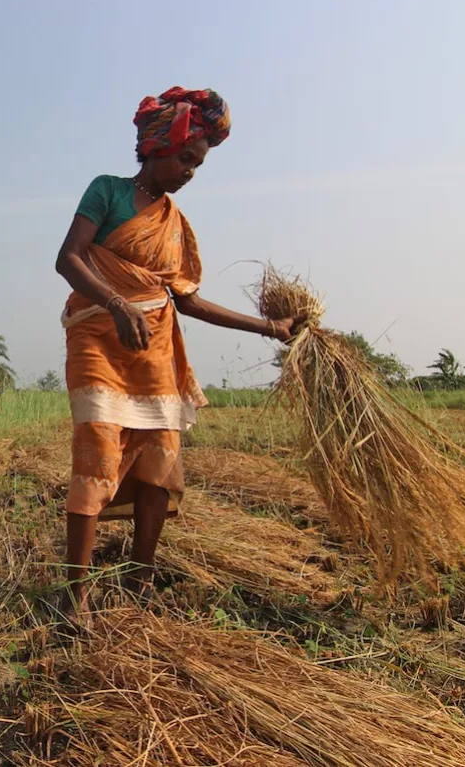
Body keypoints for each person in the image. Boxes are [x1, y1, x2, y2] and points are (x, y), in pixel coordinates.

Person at [56, 86, 305, 615]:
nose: (191, 171)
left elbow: (187, 300)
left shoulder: (175, 224)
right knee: (97, 453)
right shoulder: (106, 191)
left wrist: (270, 328)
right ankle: (73, 596)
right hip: (98, 340)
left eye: (199, 163)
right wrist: (118, 305)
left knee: (157, 461)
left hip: (155, 350)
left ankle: (140, 581)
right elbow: (69, 259)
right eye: (187, 157)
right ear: (157, 145)